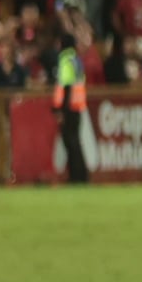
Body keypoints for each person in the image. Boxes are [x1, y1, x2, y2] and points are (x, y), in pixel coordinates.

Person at [53, 17, 91, 184]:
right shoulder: (77, 59)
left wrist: (60, 109)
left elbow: (66, 86)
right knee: (76, 141)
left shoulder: (65, 59)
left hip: (69, 106)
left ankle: (76, 176)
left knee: (70, 142)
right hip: (78, 105)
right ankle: (81, 174)